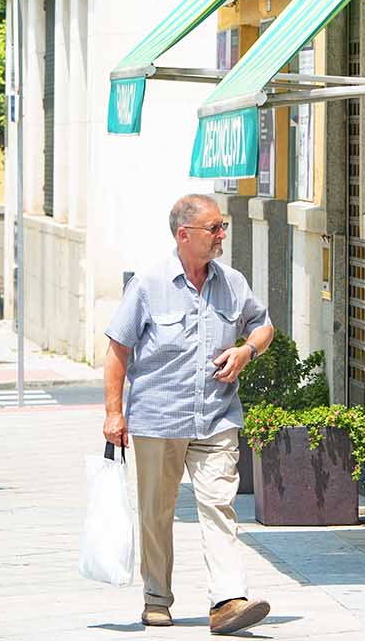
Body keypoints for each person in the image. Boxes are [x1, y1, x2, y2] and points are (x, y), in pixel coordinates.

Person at [104, 194, 275, 636]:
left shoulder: (232, 282)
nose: (222, 235)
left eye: (222, 228)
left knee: (219, 505)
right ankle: (157, 598)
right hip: (158, 419)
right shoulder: (148, 284)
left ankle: (227, 600)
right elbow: (118, 350)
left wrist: (246, 350)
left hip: (216, 418)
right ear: (184, 235)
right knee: (156, 512)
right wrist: (113, 413)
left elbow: (263, 324)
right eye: (214, 228)